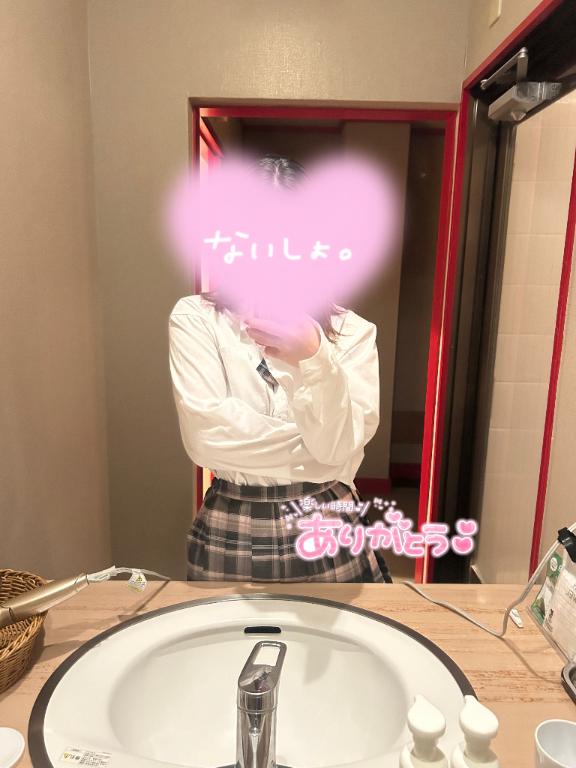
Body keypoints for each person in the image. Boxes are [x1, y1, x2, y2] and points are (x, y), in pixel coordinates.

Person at [168, 153, 392, 583]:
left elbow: (336, 448)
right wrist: (319, 454)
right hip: (230, 525)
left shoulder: (353, 333)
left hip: (327, 523)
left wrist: (314, 356)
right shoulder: (196, 318)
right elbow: (205, 439)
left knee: (343, 632)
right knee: (222, 632)